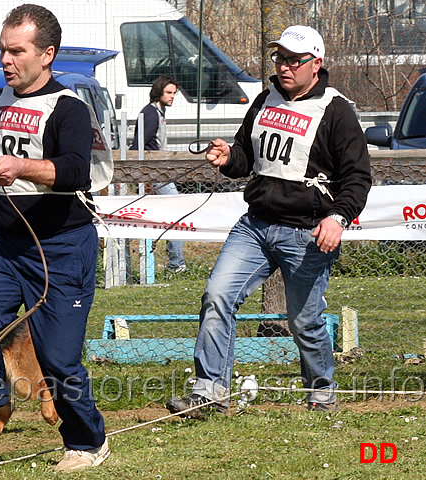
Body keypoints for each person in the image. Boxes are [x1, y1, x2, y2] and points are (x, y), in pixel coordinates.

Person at [166, 25, 371, 416]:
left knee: (305, 320)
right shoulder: (264, 99)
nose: (285, 67)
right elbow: (246, 155)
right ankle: (210, 390)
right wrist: (229, 158)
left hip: (307, 232)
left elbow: (358, 178)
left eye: (295, 60)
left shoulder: (337, 111)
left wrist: (338, 218)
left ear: (317, 64)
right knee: (217, 296)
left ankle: (322, 390)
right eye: (280, 58)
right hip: (256, 225)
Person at [0, 4, 110, 472]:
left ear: (47, 54)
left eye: (17, 51)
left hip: (61, 246)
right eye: (2, 50)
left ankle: (87, 441)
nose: (6, 61)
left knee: (57, 360)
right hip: (5, 239)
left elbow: (79, 171)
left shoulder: (69, 109)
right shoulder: (1, 101)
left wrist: (25, 168)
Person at [131, 75, 186, 273]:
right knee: (176, 208)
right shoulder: (151, 114)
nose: (172, 97)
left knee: (173, 210)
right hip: (154, 170)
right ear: (159, 92)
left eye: (174, 93)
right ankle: (176, 262)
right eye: (169, 93)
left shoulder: (157, 112)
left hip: (159, 168)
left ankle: (175, 260)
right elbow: (138, 145)